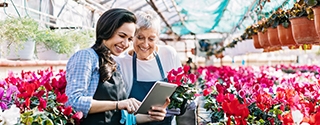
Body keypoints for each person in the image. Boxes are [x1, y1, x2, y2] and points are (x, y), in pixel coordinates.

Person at [65, 8, 169, 125]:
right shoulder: (86, 57)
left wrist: (152, 116)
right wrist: (118, 104)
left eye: (130, 39)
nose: (125, 44)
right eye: (121, 36)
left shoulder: (114, 64)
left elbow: (122, 119)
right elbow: (72, 102)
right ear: (107, 30)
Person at [114, 10, 183, 125]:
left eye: (151, 39)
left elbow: (181, 94)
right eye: (140, 37)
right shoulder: (121, 62)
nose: (145, 44)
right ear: (132, 37)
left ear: (157, 38)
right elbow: (118, 109)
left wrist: (169, 110)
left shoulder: (168, 54)